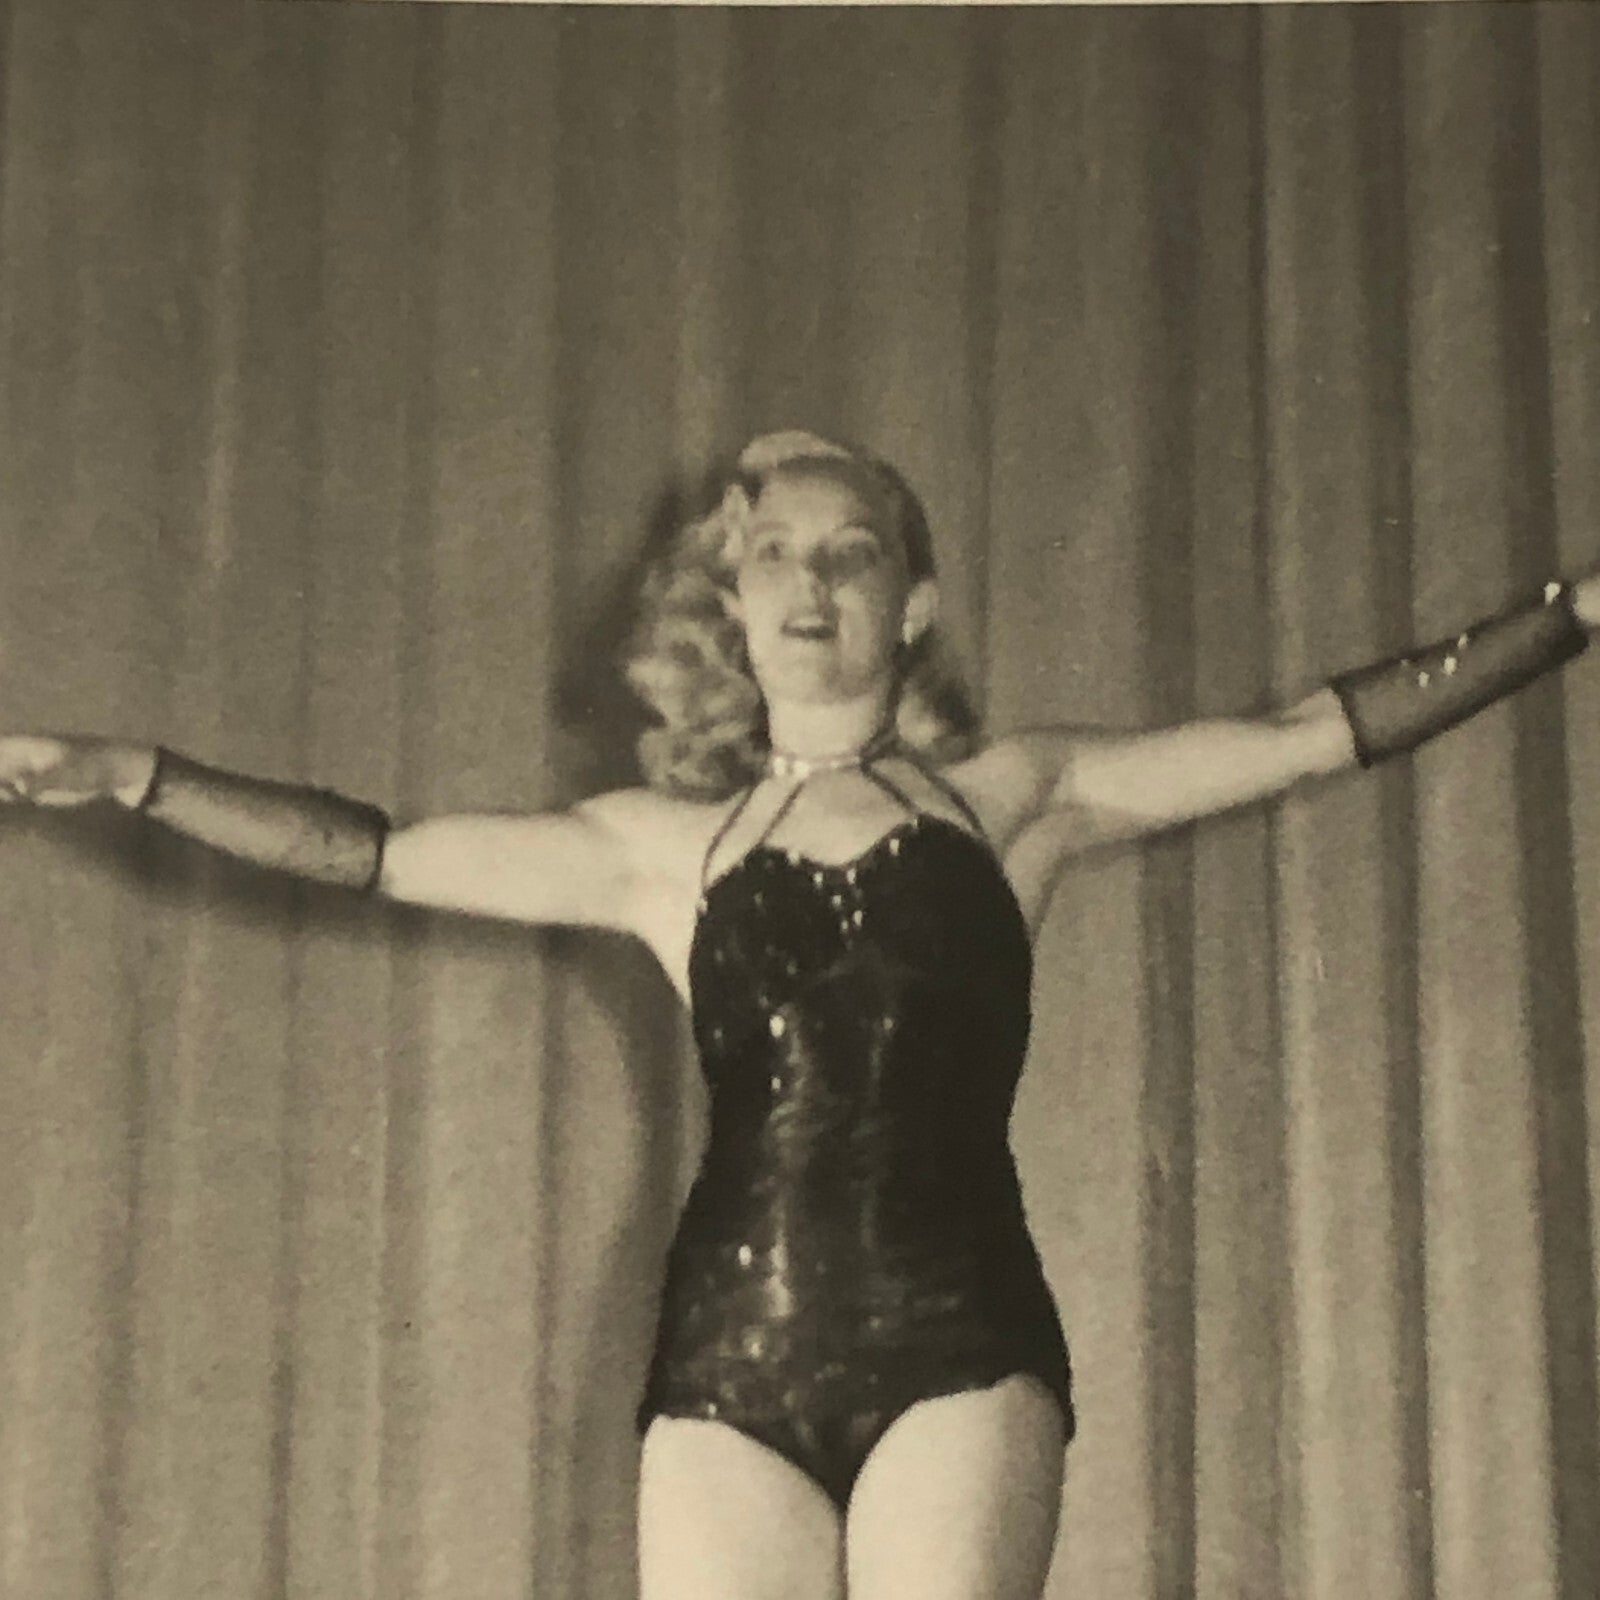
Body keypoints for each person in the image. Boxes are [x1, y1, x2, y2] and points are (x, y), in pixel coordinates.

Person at [1, 429, 1594, 1600]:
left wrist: (1569, 615)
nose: (811, 579)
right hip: (723, 1373)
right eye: (776, 553)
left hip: (960, 1351)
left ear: (912, 605)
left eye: (850, 552)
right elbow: (379, 853)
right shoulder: (653, 850)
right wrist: (136, 777)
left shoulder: (1022, 802)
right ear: (732, 607)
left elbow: (1310, 733)